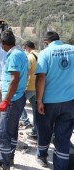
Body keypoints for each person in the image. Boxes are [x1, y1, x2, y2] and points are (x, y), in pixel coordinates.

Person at [35, 31, 74, 169]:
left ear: (46, 42)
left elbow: (41, 78)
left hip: (49, 102)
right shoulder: (72, 49)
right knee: (63, 136)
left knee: (45, 130)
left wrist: (39, 101)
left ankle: (42, 155)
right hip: (69, 101)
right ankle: (61, 166)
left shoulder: (45, 53)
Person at [0, 30, 28, 170]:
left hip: (13, 100)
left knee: (2, 133)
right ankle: (10, 157)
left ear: (2, 43)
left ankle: (4, 163)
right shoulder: (20, 53)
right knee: (12, 130)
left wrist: (6, 100)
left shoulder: (14, 56)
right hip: (18, 98)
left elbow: (14, 79)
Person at [20, 41, 38, 137]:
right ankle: (35, 131)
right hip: (38, 87)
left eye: (24, 48)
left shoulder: (29, 57)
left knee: (18, 104)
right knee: (35, 111)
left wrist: (23, 86)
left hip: (29, 87)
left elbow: (26, 73)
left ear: (27, 47)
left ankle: (25, 122)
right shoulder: (40, 55)